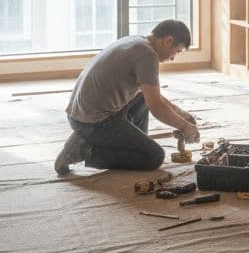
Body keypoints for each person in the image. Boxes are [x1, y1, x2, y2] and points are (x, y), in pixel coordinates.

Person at [53, 19, 200, 175]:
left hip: (79, 116)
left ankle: (130, 146)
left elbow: (151, 96)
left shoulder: (136, 42)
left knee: (142, 98)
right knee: (153, 156)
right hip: (93, 122)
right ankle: (86, 149)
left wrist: (182, 116)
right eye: (177, 51)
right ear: (168, 40)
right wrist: (184, 127)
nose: (173, 58)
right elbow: (156, 106)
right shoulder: (147, 55)